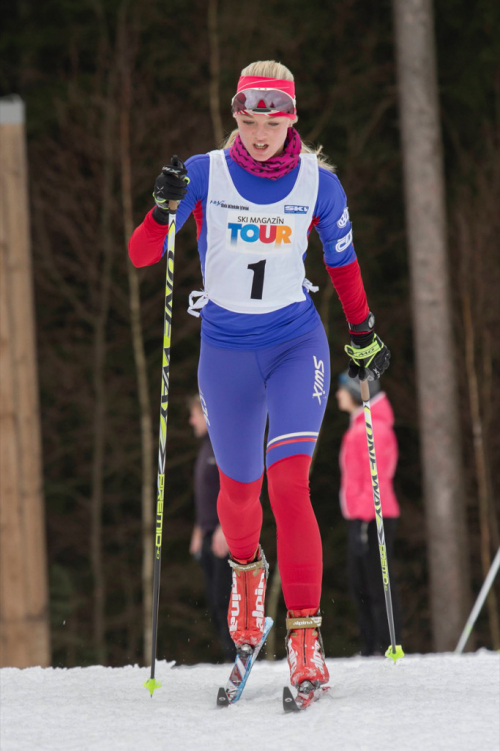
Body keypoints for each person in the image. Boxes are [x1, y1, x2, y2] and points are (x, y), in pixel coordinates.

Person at [129, 60, 390, 693]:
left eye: (274, 116)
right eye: (251, 115)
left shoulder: (318, 186)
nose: (261, 128)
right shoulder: (203, 174)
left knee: (289, 486)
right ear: (237, 116)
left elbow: (344, 264)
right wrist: (162, 211)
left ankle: (305, 637)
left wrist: (363, 332)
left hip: (296, 345)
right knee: (240, 496)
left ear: (291, 118)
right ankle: (248, 573)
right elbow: (141, 253)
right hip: (225, 354)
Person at [335, 371, 402, 656]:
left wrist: (363, 518)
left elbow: (377, 477)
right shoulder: (359, 426)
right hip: (361, 517)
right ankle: (370, 644)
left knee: (377, 583)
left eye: (341, 389)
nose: (337, 395)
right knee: (360, 583)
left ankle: (386, 644)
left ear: (355, 392)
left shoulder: (375, 428)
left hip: (375, 517)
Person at [187, 395, 234, 661]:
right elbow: (205, 493)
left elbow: (232, 491)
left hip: (224, 535)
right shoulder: (206, 446)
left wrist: (224, 528)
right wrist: (198, 529)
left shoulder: (222, 445)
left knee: (226, 601)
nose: (192, 420)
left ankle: (237, 657)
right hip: (207, 533)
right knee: (215, 602)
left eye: (196, 414)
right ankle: (229, 658)